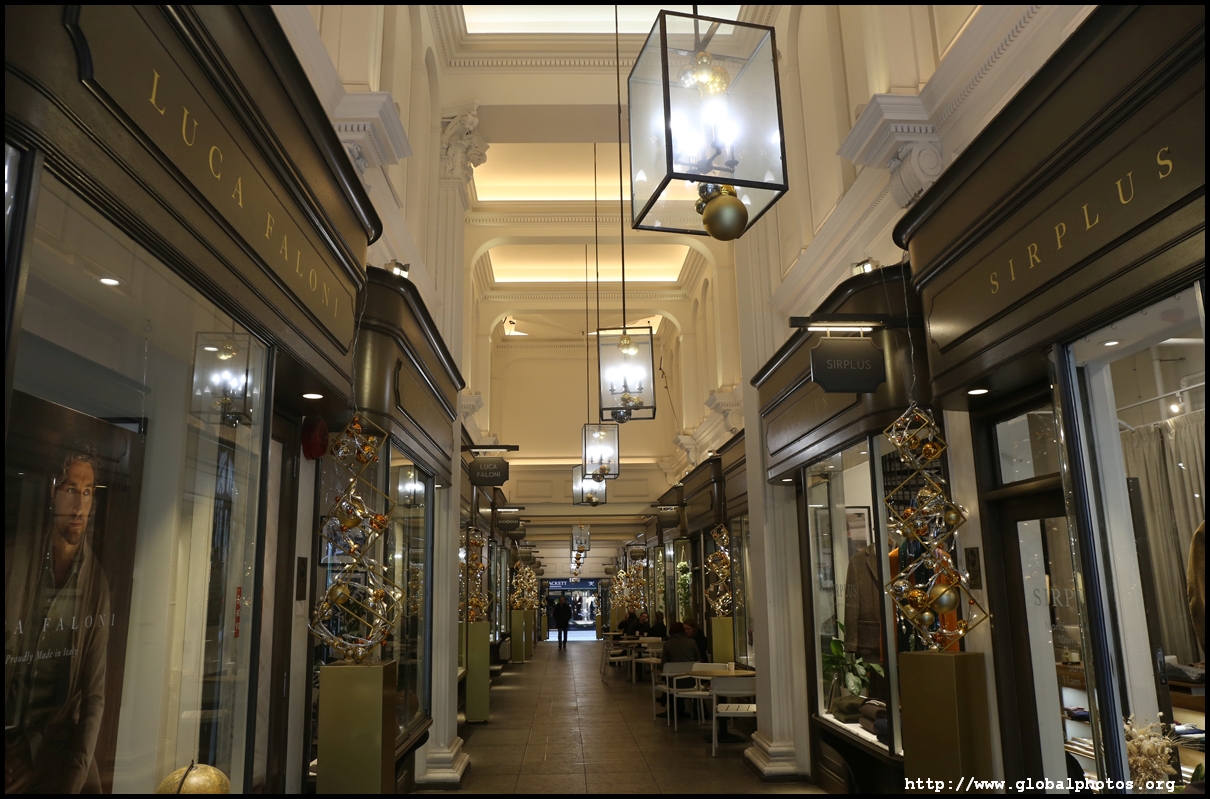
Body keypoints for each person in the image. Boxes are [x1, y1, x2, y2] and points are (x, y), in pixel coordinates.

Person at [5, 447, 111, 793]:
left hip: (56, 744)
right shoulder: (15, 562)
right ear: (53, 492)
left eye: (87, 492)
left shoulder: (95, 584)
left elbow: (94, 697)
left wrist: (73, 777)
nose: (79, 506)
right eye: (71, 490)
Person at [656, 622, 700, 719]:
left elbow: (664, 664)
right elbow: (698, 660)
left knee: (671, 677)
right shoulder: (692, 642)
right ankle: (681, 710)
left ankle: (672, 710)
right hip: (691, 681)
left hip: (674, 682)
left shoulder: (668, 644)